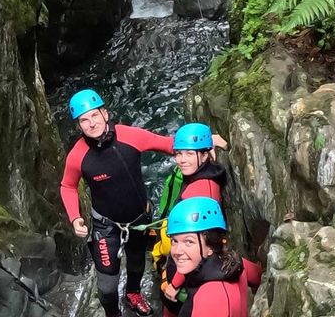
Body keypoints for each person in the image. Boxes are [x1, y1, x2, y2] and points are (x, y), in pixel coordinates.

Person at [60, 89, 225, 317]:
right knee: (107, 286)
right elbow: (67, 186)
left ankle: (133, 294)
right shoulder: (78, 156)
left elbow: (169, 145)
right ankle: (112, 314)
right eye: (84, 120)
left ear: (105, 114)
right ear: (79, 126)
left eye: (95, 115)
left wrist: (206, 141)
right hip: (106, 227)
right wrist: (75, 217)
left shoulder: (130, 136)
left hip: (138, 220)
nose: (91, 123)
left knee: (137, 263)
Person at [153, 123, 228, 316]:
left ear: (203, 156)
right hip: (187, 260)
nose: (181, 160)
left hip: (186, 273)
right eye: (179, 154)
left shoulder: (200, 193)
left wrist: (175, 283)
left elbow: (195, 245)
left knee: (171, 304)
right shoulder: (206, 171)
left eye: (189, 154)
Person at [166, 197, 263, 317]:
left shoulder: (211, 300)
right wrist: (175, 283)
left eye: (189, 242)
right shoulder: (231, 262)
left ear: (210, 247)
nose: (177, 251)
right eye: (174, 241)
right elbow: (260, 275)